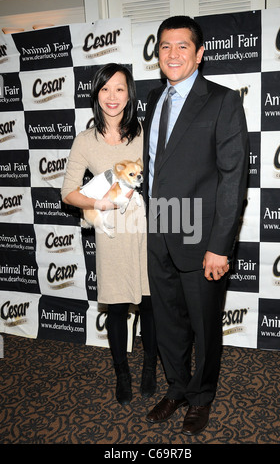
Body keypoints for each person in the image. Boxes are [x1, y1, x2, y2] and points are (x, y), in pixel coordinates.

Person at [142, 16, 249, 435]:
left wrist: (220, 246)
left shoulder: (222, 101)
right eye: (165, 46)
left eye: (182, 46)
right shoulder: (152, 98)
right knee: (167, 319)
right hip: (159, 226)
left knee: (204, 323)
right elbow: (155, 168)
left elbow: (232, 179)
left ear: (199, 53)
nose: (172, 54)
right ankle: (177, 388)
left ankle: (201, 396)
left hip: (201, 234)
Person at [61, 63, 157, 406]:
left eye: (119, 88)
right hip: (111, 233)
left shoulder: (145, 133)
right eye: (105, 89)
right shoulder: (85, 140)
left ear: (129, 93)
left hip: (145, 229)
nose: (112, 96)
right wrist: (99, 204)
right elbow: (68, 193)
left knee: (149, 305)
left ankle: (148, 368)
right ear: (96, 94)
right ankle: (122, 373)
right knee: (116, 307)